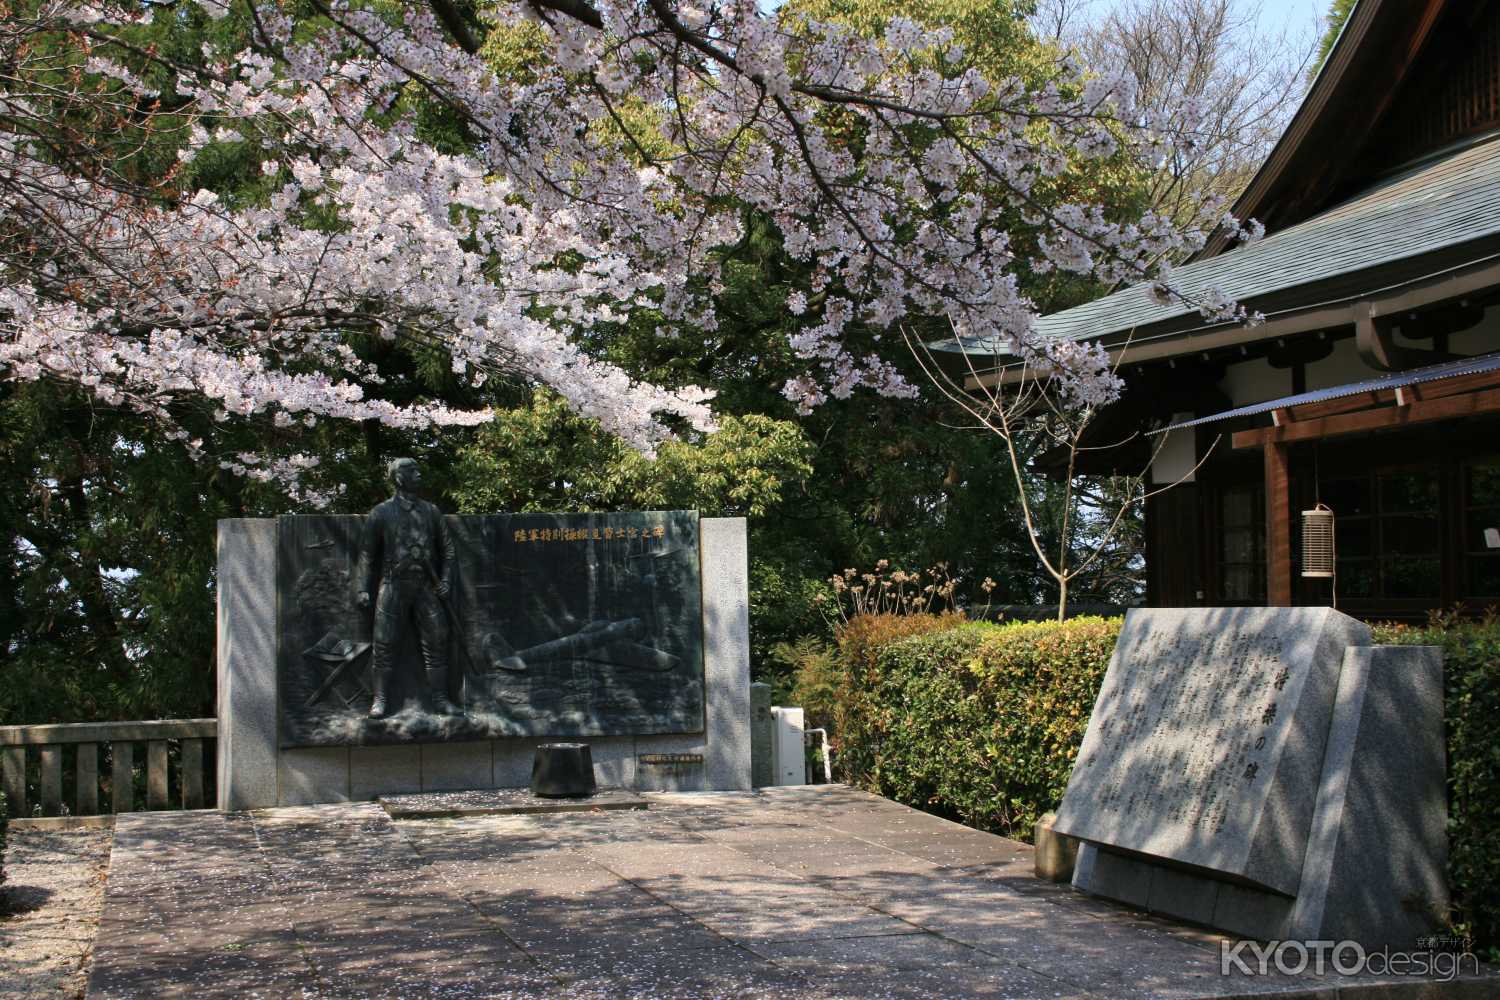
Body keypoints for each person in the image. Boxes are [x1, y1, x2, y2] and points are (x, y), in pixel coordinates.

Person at [357, 458, 461, 718]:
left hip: (427, 586)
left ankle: (440, 699)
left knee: (437, 641)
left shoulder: (431, 511)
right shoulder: (380, 513)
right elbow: (368, 554)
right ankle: (379, 700)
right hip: (393, 585)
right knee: (384, 645)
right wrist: (362, 588)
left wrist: (446, 580)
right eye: (411, 471)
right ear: (399, 478)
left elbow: (448, 550)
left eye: (418, 470)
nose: (418, 474)